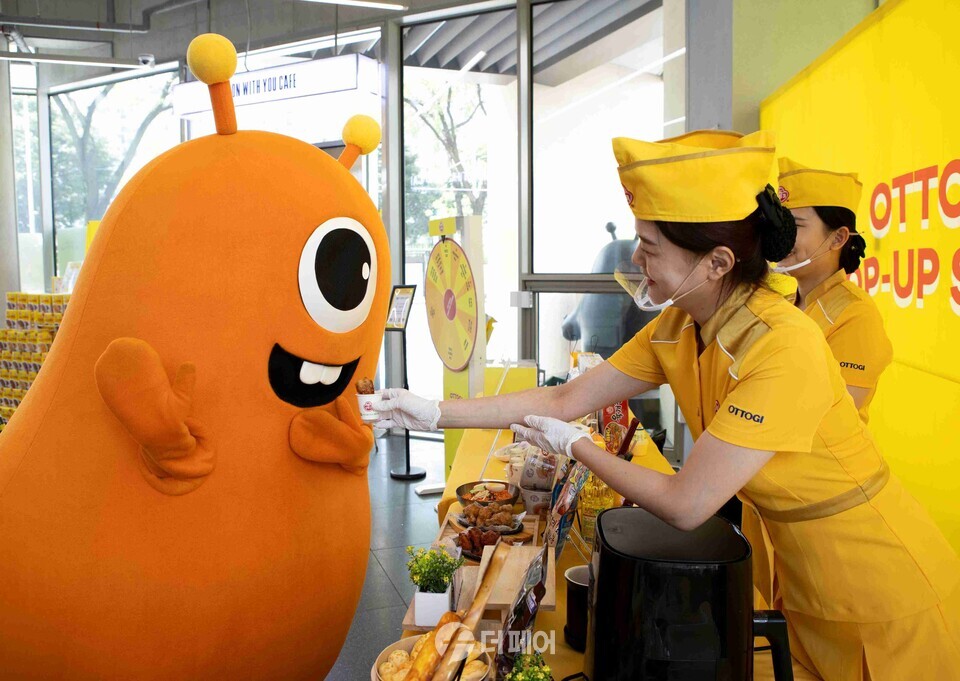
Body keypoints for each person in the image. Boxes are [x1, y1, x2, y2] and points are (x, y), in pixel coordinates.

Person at [375, 130, 960, 681]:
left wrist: (575, 444)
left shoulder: (785, 345)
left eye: (651, 246)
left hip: (884, 588)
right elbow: (565, 395)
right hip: (802, 578)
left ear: (717, 263)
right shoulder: (681, 323)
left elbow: (687, 504)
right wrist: (431, 412)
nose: (636, 259)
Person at [772, 157, 893, 423]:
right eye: (780, 226)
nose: (781, 237)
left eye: (795, 226)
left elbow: (835, 418)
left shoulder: (856, 315)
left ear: (838, 238)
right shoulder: (781, 304)